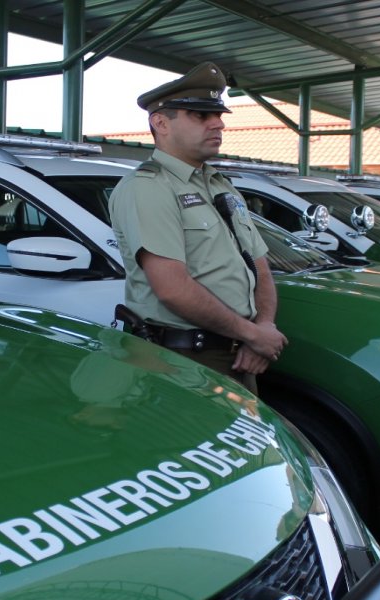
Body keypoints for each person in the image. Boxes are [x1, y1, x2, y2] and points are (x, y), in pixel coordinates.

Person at [109, 61, 287, 394]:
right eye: (201, 116)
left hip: (238, 353)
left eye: (218, 115)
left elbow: (259, 267)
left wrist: (262, 328)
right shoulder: (148, 188)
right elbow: (172, 288)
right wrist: (252, 335)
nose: (218, 123)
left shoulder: (221, 185)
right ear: (160, 123)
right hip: (182, 360)